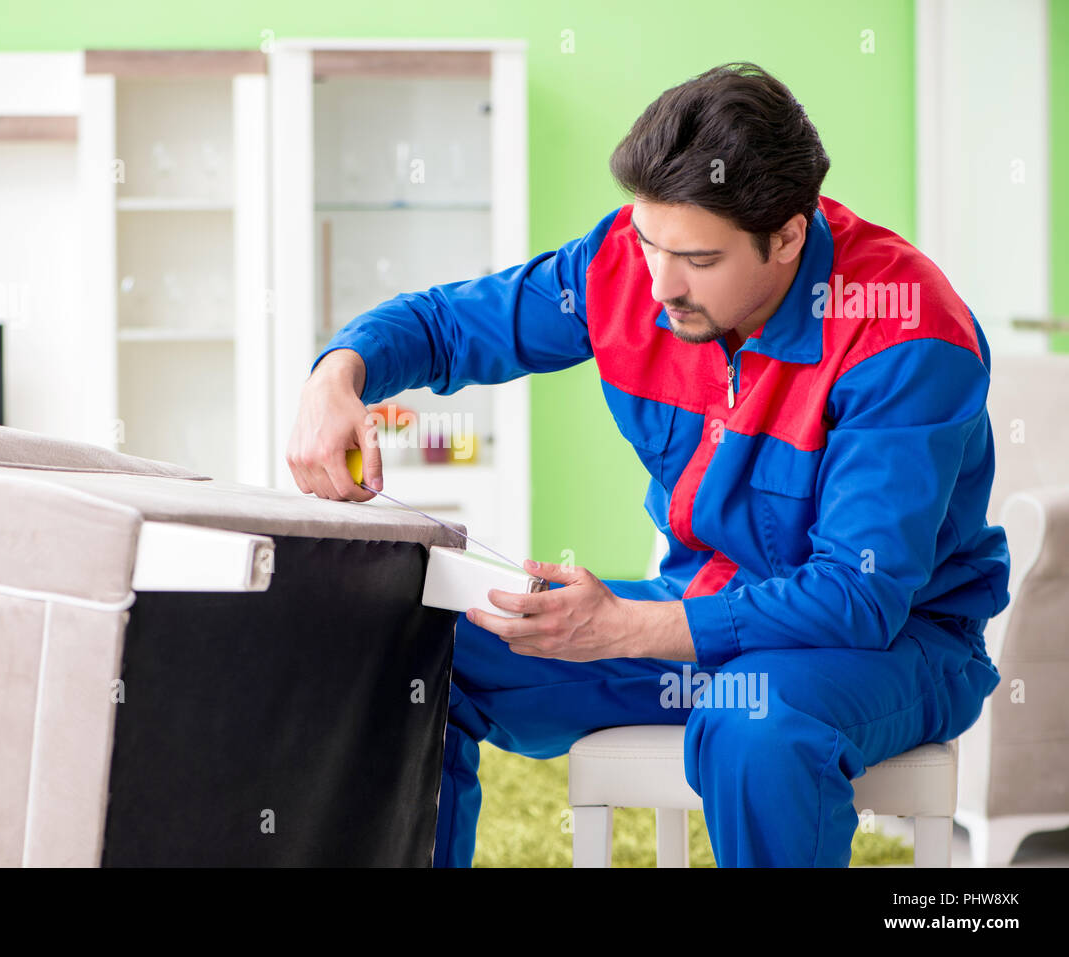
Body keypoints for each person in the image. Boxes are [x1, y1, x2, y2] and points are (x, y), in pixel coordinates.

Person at [285, 62, 1009, 867]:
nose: (659, 284)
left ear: (788, 237)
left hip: (892, 647)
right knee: (417, 649)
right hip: (697, 612)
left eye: (697, 258)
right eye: (646, 242)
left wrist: (625, 627)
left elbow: (858, 596)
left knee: (757, 722)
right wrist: (337, 372)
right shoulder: (633, 266)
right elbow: (449, 324)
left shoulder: (906, 331)